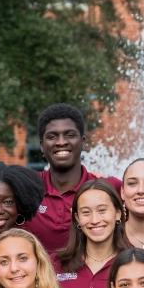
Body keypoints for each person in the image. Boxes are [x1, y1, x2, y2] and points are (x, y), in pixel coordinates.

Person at [25, 103, 115, 255]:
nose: (61, 142)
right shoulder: (26, 188)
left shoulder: (107, 188)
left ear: (83, 141)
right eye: (52, 136)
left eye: (70, 135)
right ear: (42, 146)